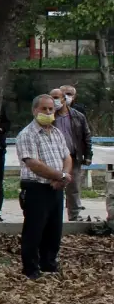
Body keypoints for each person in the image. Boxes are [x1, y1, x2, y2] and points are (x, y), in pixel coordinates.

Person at [16, 95, 71, 280]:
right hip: (36, 189)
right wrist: (59, 175)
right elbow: (33, 163)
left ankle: (49, 264)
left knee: (54, 230)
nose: (48, 112)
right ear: (34, 111)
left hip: (56, 188)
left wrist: (63, 177)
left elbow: (67, 157)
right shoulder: (27, 134)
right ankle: (31, 269)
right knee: (34, 230)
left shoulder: (56, 133)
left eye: (51, 109)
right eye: (44, 109)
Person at [52, 86, 91, 221]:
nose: (55, 101)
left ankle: (74, 215)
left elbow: (86, 136)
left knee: (73, 187)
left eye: (57, 98)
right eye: (53, 98)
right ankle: (52, 217)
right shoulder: (49, 116)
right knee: (54, 187)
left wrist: (88, 155)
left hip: (73, 156)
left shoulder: (78, 116)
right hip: (54, 157)